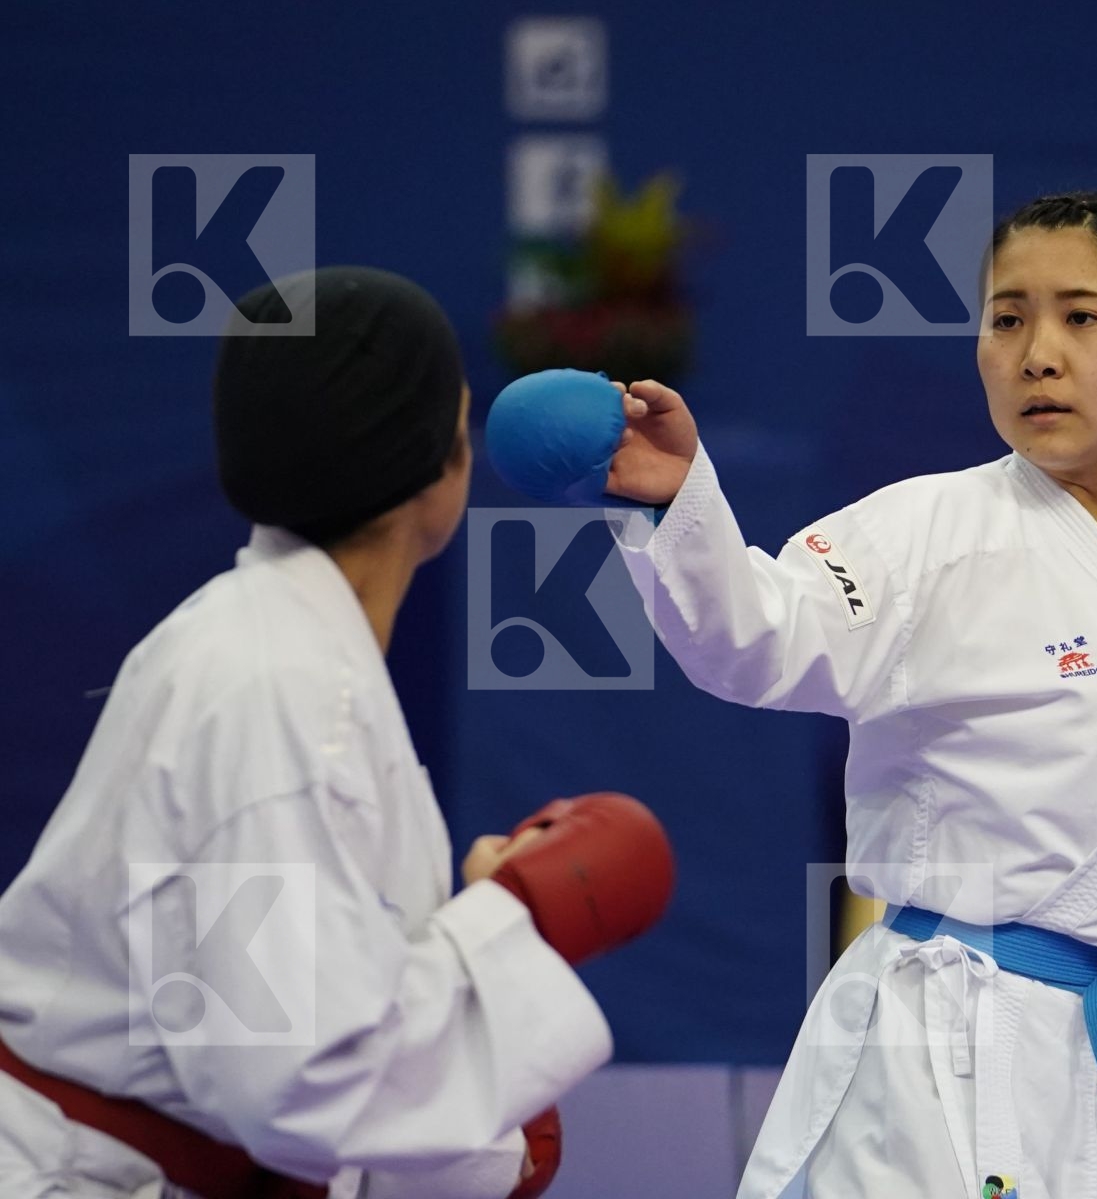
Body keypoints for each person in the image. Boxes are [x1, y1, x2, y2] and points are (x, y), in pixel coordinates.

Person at [594, 192, 1097, 1198]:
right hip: (948, 1054)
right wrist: (676, 498)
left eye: (1082, 316)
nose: (1037, 353)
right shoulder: (928, 533)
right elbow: (750, 639)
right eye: (1007, 318)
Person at [0, 267, 658, 1198]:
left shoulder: (265, 646)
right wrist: (510, 920)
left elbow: (259, 1018)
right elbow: (291, 1085)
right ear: (439, 467)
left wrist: (465, 926)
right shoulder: (278, 693)